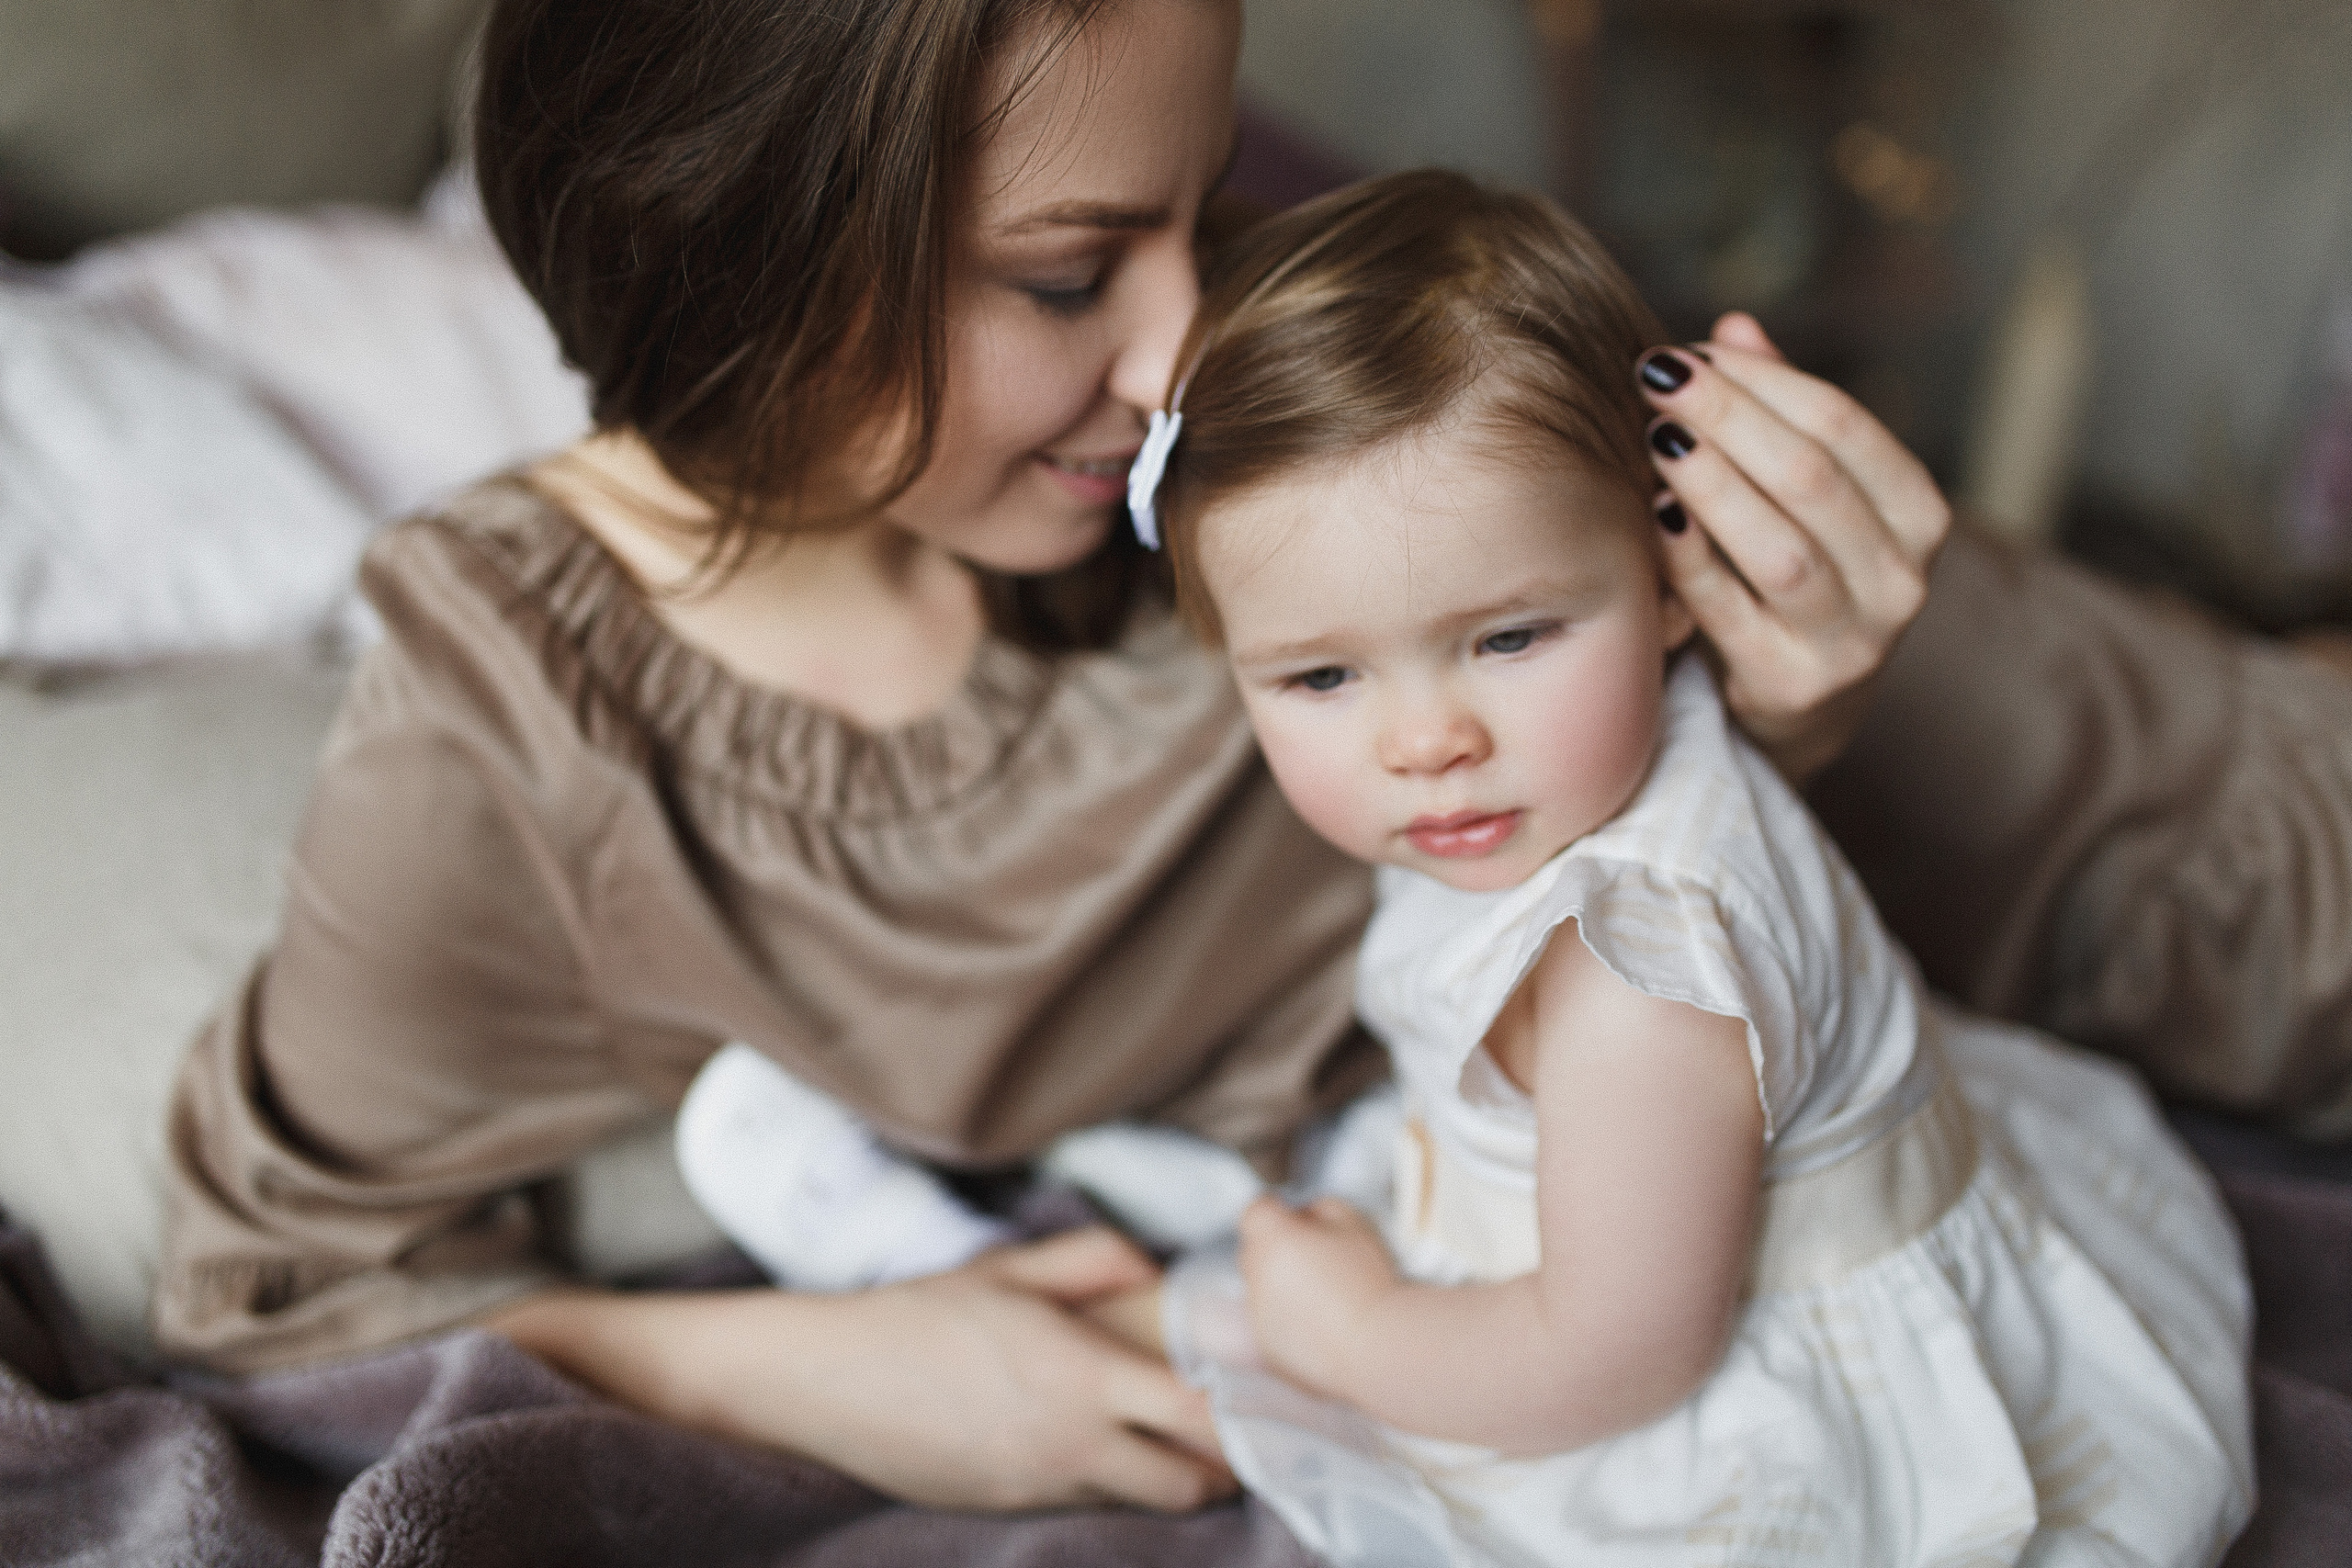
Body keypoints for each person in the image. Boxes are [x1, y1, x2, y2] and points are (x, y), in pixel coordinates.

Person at [150, 0, 2338, 1525]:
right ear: (738, 258)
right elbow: (282, 1284)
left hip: (2077, 817)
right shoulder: (530, 729)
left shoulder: (1230, 392)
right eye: (1065, 267)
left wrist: (1776, 709)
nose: (1191, 348)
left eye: (1200, 203)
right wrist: (823, 1365)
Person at [1129, 169, 2252, 1566]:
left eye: (1512, 637)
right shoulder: (1553, 786)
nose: (1428, 739)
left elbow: (1618, 1358)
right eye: (1319, 675)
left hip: (1707, 1374)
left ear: (1671, 576)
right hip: (1634, 1219)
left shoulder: (1633, 977)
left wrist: (1353, 1336)